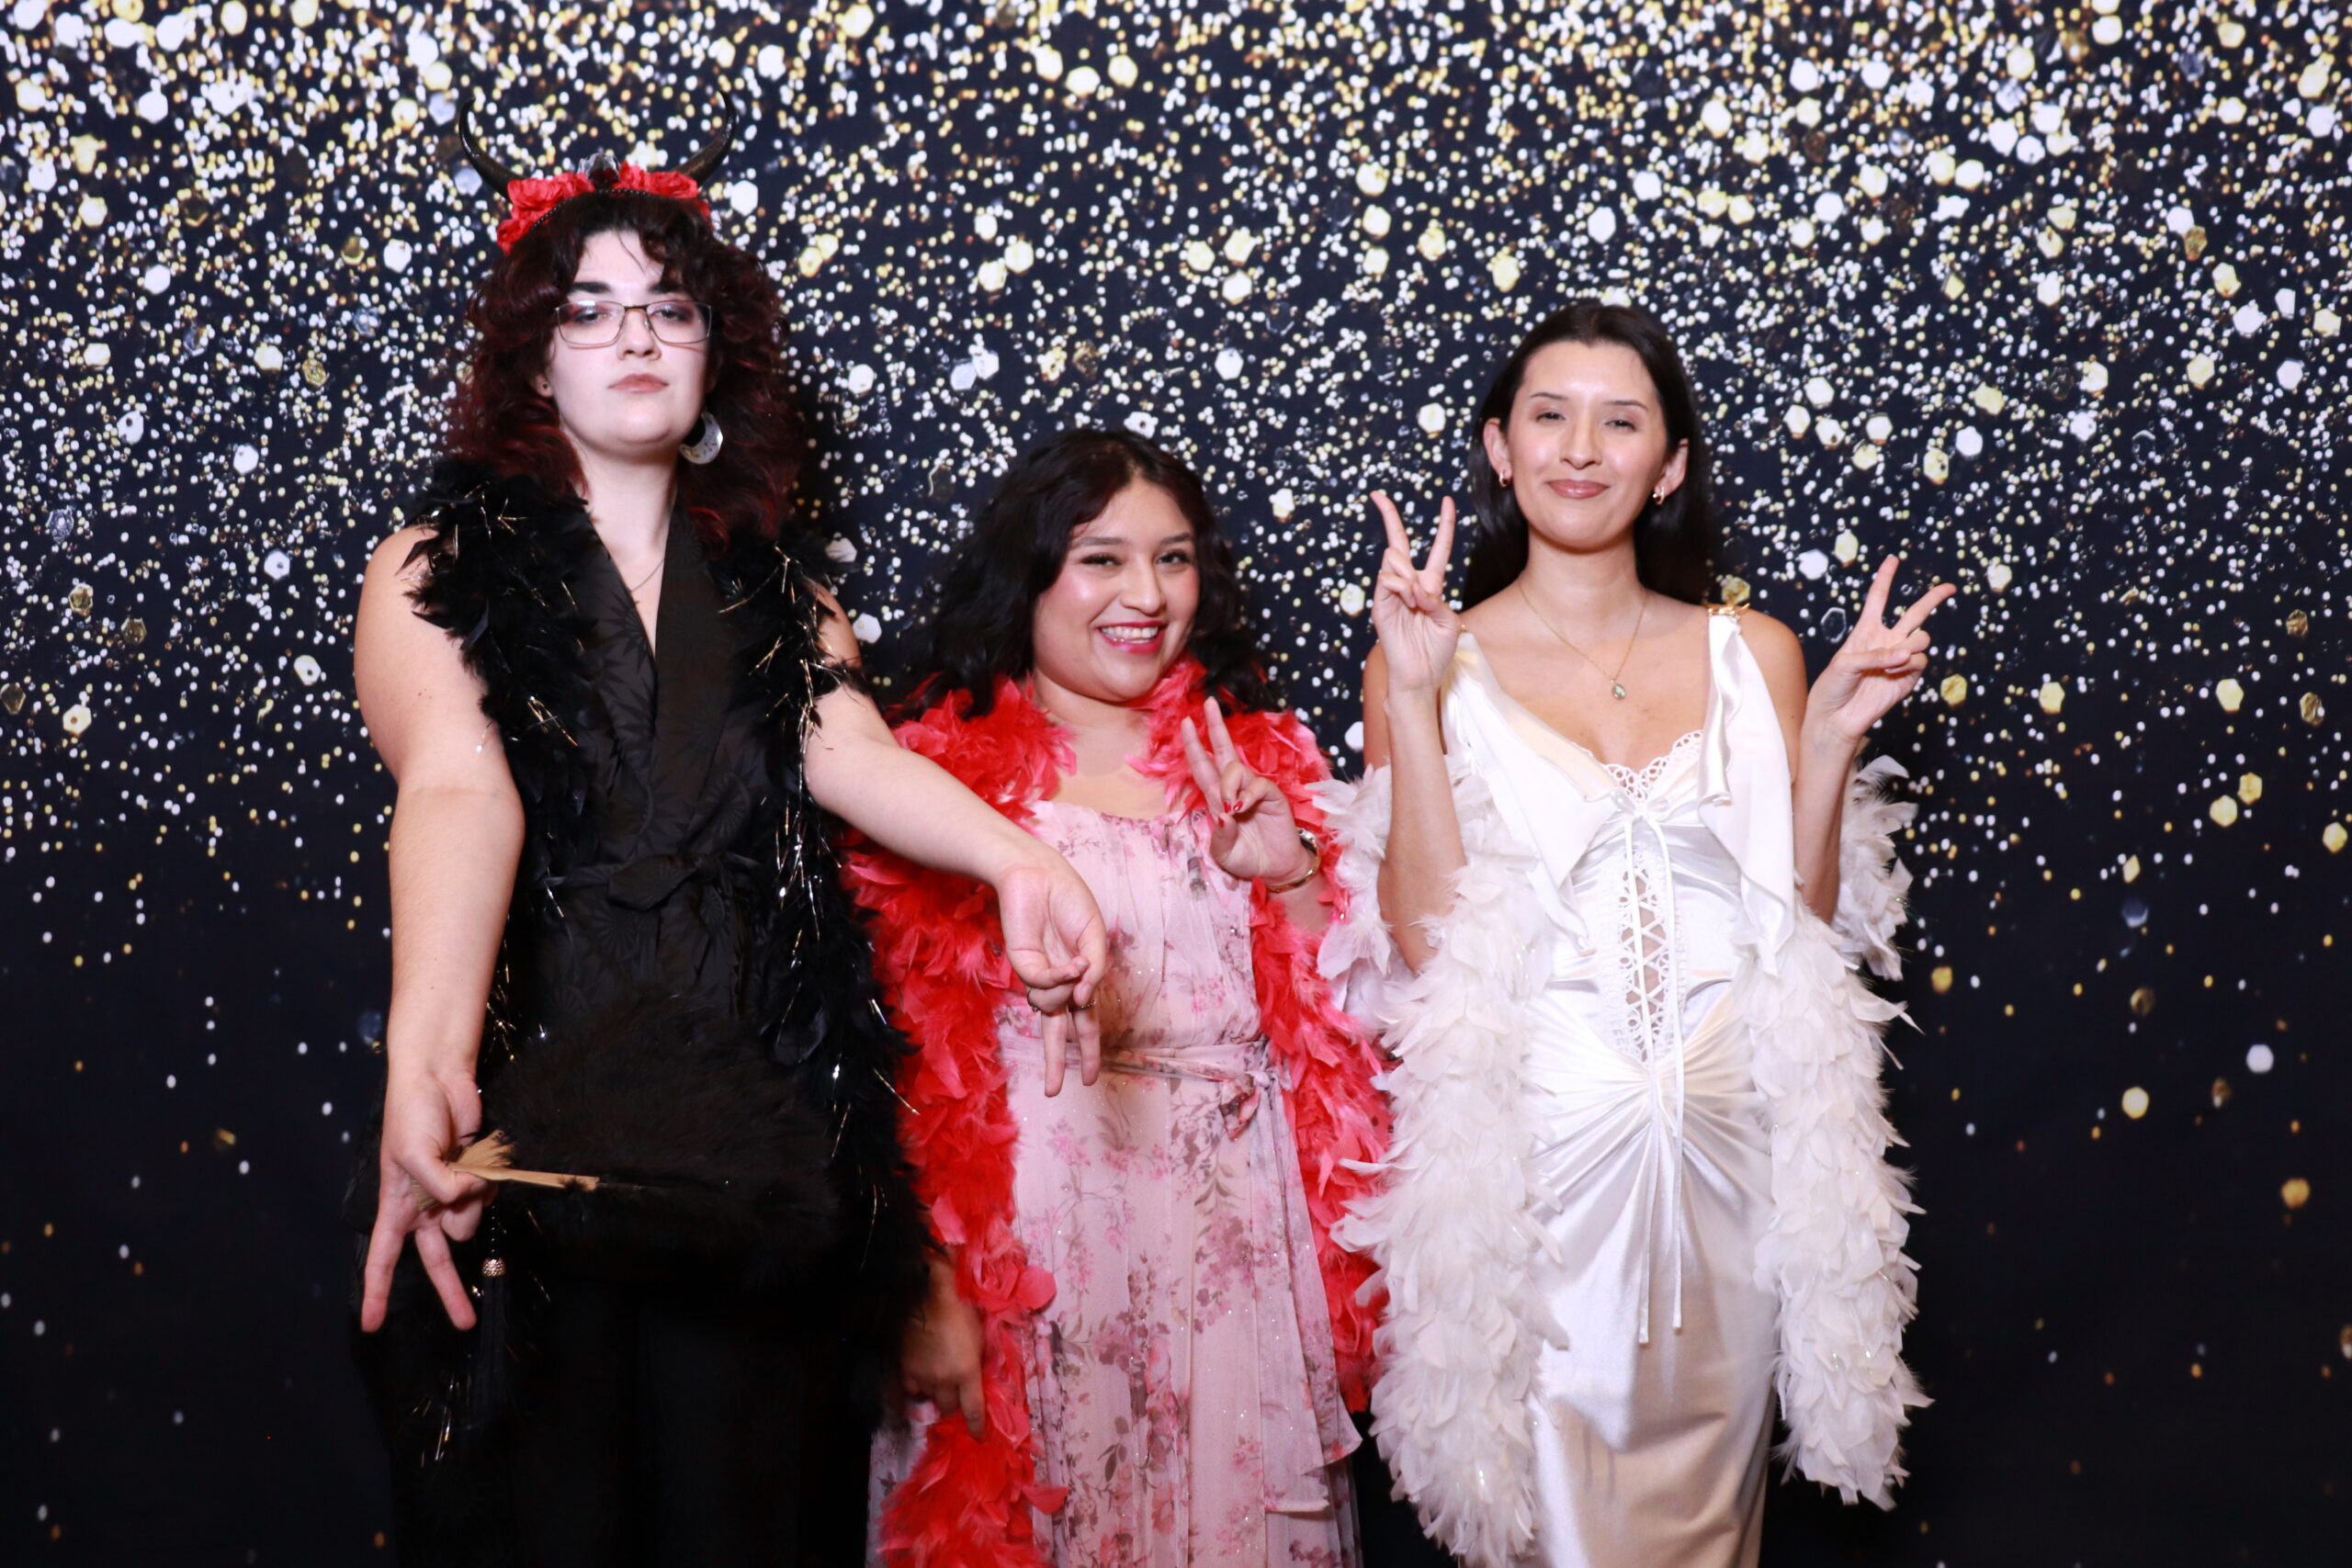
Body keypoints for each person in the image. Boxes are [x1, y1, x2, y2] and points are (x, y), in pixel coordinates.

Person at [345, 118, 1107, 1566]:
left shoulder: (782, 591)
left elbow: (853, 754)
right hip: (531, 1141)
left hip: (750, 1160)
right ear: (535, 362)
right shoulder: (433, 567)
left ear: (713, 356)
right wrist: (424, 1062)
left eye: (669, 307)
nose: (635, 335)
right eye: (589, 310)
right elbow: (457, 789)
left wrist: (1022, 860)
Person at [1323, 299, 1951, 1568]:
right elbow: (1428, 945)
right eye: (1549, 416)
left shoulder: (1753, 654)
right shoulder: (1428, 656)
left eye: (1620, 423)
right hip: (1540, 1188)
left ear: (1667, 465)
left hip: (1731, 1182)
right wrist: (1413, 692)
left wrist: (1830, 739)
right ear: (1499, 447)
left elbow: (1796, 933)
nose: (1579, 449)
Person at [852, 430, 1392, 1568]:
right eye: (1102, 560)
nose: (1146, 596)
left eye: (1173, 558)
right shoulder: (933, 785)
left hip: (1236, 1245)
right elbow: (890, 1062)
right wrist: (925, 1278)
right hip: (1030, 1251)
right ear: (1030, 574)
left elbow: (1353, 1042)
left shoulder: (1258, 765)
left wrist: (1294, 874)